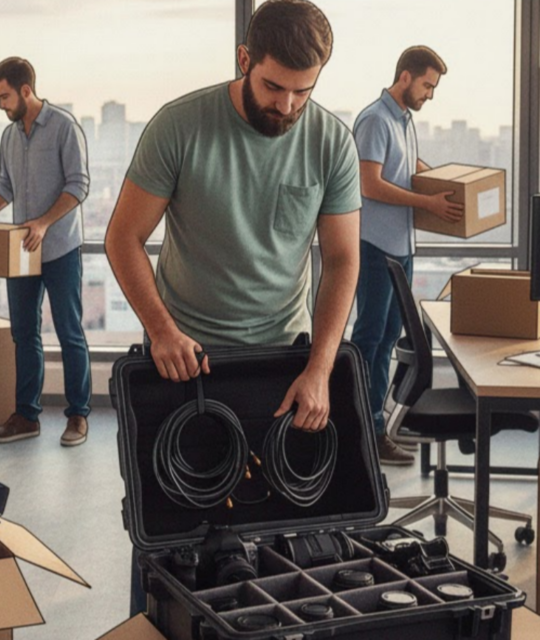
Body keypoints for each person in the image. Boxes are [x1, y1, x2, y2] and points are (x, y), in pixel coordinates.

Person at [103, 0, 361, 616]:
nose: (288, 106)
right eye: (274, 87)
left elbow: (343, 260)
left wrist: (321, 366)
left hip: (282, 363)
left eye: (303, 92)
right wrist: (160, 330)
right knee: (175, 533)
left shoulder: (330, 141)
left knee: (277, 535)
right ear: (244, 60)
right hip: (183, 364)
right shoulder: (180, 125)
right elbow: (123, 238)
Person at [0, 57, 92, 447]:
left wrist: (43, 222)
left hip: (60, 248)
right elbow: (5, 184)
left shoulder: (64, 127)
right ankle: (27, 416)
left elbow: (79, 185)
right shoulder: (9, 136)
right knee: (24, 334)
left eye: (4, 96)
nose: (1, 104)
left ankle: (78, 416)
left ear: (25, 90)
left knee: (69, 333)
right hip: (21, 252)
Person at [351, 46, 458, 466]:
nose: (430, 94)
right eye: (428, 85)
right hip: (376, 248)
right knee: (369, 341)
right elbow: (370, 184)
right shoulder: (376, 120)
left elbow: (409, 165)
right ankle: (363, 431)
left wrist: (443, 182)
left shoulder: (404, 120)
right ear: (405, 77)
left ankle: (381, 425)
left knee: (388, 342)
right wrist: (426, 203)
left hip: (401, 250)